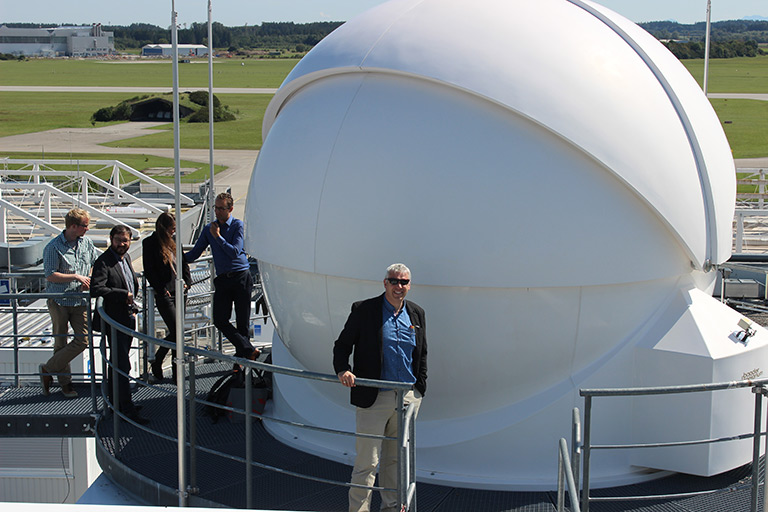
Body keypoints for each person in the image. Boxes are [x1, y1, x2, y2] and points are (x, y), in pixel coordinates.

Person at [333, 263, 428, 512]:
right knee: (367, 463)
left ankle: (392, 509)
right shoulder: (365, 310)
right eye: (394, 281)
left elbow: (422, 354)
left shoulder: (416, 313)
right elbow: (342, 345)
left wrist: (419, 390)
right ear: (384, 283)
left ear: (409, 285)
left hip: (406, 399)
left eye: (404, 282)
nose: (399, 287)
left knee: (395, 462)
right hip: (374, 398)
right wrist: (343, 369)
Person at [185, 192, 259, 361]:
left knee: (242, 324)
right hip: (224, 280)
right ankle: (248, 351)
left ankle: (242, 365)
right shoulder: (208, 229)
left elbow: (234, 251)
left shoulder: (238, 226)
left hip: (241, 277)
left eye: (220, 208)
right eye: (215, 208)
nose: (216, 212)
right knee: (219, 319)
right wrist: (175, 259)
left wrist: (217, 237)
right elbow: (195, 253)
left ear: (230, 209)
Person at [39, 208, 100, 399]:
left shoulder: (86, 244)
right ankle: (65, 384)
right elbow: (50, 274)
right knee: (60, 342)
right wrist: (75, 276)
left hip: (79, 301)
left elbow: (96, 263)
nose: (87, 229)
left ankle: (48, 370)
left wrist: (88, 279)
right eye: (84, 225)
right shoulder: (54, 246)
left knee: (83, 340)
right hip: (59, 300)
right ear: (73, 226)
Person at [91, 225, 149, 425]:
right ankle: (125, 408)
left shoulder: (125, 258)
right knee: (121, 364)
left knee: (121, 362)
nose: (122, 244)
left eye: (125, 241)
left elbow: (129, 281)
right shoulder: (104, 261)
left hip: (126, 316)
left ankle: (119, 403)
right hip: (115, 320)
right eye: (118, 240)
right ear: (111, 239)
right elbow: (96, 288)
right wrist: (123, 295)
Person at [143, 212, 191, 382]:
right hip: (166, 293)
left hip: (180, 291)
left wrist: (187, 282)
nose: (173, 232)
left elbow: (184, 263)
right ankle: (158, 361)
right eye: (171, 228)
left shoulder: (175, 242)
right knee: (177, 330)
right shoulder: (149, 243)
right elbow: (149, 269)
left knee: (177, 331)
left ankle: (175, 369)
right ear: (164, 228)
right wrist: (161, 289)